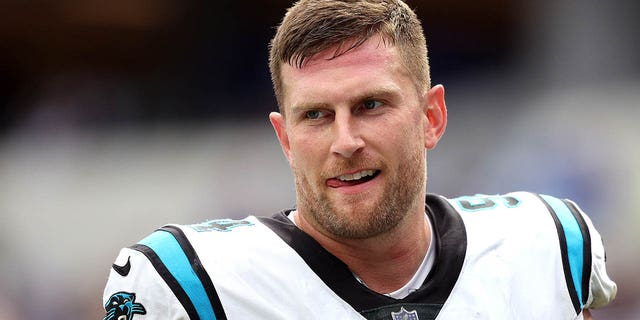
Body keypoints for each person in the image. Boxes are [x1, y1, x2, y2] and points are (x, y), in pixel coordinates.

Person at [102, 0, 617, 319]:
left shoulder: (547, 244)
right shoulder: (188, 281)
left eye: (370, 105)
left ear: (431, 117)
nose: (345, 141)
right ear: (284, 138)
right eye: (316, 116)